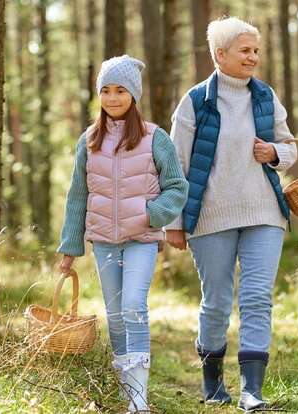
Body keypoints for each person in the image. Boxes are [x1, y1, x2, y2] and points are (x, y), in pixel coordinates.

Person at [165, 17, 298, 412]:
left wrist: (274, 154)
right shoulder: (194, 102)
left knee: (257, 298)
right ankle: (212, 384)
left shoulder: (265, 96)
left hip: (264, 212)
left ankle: (251, 391)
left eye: (256, 50)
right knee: (218, 301)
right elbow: (176, 165)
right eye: (245, 50)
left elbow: (290, 147)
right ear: (219, 54)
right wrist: (174, 223)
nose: (253, 57)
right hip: (210, 216)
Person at [57, 55, 188, 413]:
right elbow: (77, 196)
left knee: (133, 306)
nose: (112, 98)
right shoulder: (89, 140)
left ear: (133, 94)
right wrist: (69, 247)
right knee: (114, 315)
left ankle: (140, 400)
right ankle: (129, 394)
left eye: (120, 90)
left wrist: (151, 214)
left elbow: (177, 187)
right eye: (105, 90)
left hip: (141, 240)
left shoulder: (154, 137)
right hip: (103, 242)